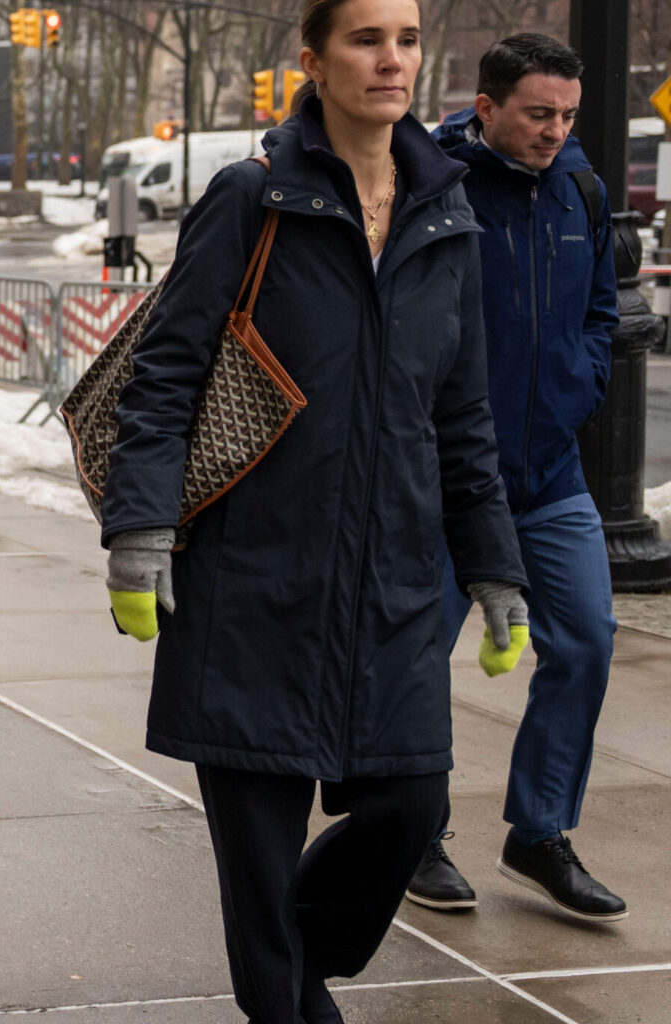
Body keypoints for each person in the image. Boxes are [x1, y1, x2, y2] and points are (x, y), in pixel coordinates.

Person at [98, 2, 528, 1021]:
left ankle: (295, 971)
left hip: (393, 593)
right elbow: (165, 378)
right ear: (313, 61)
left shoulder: (448, 219)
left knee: (410, 803)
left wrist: (494, 565)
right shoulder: (253, 200)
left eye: (408, 40)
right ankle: (289, 998)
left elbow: (461, 420)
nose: (392, 59)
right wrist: (138, 532)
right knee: (257, 869)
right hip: (253, 585)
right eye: (365, 39)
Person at [411, 34, 626, 923]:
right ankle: (412, 829)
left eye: (568, 114)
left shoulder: (581, 186)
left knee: (585, 642)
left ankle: (538, 832)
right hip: (449, 474)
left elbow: (601, 311)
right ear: (487, 106)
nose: (555, 130)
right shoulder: (437, 184)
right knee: (419, 655)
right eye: (539, 113)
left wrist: (581, 384)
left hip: (550, 474)